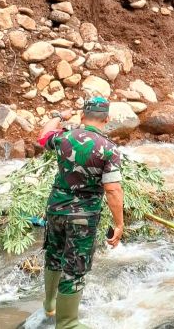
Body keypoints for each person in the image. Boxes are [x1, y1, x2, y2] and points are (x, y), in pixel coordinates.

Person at [37, 97, 124, 328]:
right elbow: (113, 189)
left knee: (54, 256)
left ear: (82, 117)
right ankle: (67, 323)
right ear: (107, 119)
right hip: (83, 218)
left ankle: (49, 305)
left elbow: (42, 136)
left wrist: (58, 115)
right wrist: (119, 224)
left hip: (55, 209)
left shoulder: (63, 137)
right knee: (74, 267)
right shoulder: (109, 149)